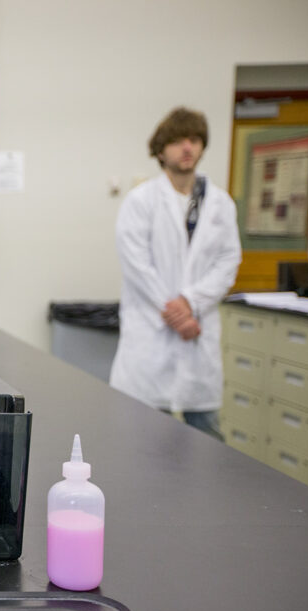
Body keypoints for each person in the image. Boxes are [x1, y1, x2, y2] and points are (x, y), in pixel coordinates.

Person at [110, 107, 241, 440]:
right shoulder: (141, 201)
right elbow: (137, 264)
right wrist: (177, 313)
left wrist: (190, 302)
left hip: (198, 335)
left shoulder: (221, 204)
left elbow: (228, 260)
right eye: (179, 141)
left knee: (209, 440)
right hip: (153, 337)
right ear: (160, 150)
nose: (188, 148)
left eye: (195, 140)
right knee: (146, 443)